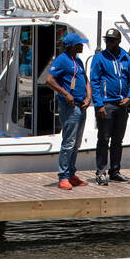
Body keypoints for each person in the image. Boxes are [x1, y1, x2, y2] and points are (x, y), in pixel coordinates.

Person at [89, 28, 130, 185]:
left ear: (118, 41)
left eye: (111, 40)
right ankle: (101, 172)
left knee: (118, 140)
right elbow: (94, 82)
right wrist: (99, 104)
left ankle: (115, 171)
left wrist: (129, 97)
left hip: (122, 104)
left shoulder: (126, 58)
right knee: (103, 139)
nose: (108, 43)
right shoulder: (99, 58)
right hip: (106, 104)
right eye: (106, 40)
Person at [45, 31, 91, 190]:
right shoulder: (62, 60)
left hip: (82, 105)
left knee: (76, 143)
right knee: (68, 142)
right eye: (80, 44)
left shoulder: (77, 61)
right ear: (72, 46)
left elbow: (86, 80)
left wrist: (88, 97)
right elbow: (49, 79)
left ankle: (71, 173)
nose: (82, 46)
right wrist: (65, 93)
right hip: (70, 107)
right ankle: (63, 176)